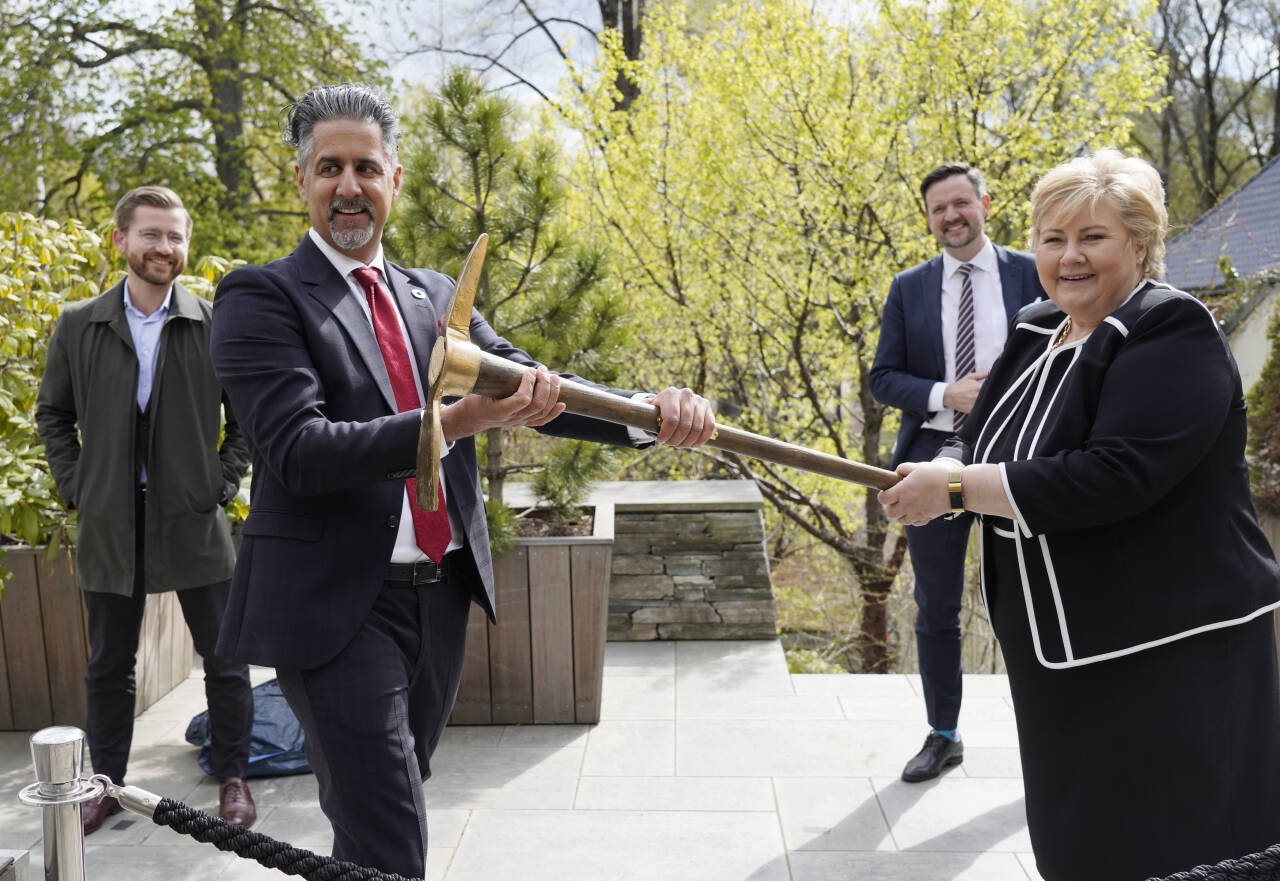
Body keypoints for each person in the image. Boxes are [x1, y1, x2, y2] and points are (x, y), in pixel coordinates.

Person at [208, 83, 716, 879]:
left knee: (387, 808)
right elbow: (299, 450)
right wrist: (457, 422)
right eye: (329, 167)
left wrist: (647, 413)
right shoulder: (259, 296)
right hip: (334, 604)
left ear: (395, 180)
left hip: (438, 598)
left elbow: (535, 389)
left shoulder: (437, 297)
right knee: (391, 833)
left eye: (366, 168)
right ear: (300, 178)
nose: (349, 186)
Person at [878, 149, 1280, 880]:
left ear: (1138, 242)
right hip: (1060, 645)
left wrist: (962, 487)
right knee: (1081, 839)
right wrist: (946, 465)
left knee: (1176, 842)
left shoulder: (1172, 330)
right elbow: (983, 434)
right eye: (1052, 238)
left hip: (1169, 649)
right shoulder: (1036, 329)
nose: (1069, 257)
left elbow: (1115, 475)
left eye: (1092, 237)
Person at [36, 186, 257, 834]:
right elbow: (54, 412)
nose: (165, 247)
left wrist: (219, 482)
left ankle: (235, 776)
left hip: (194, 515)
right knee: (108, 664)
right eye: (152, 234)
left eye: (175, 236)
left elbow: (244, 418)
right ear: (120, 241)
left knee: (225, 655)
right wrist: (78, 484)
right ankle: (104, 784)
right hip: (109, 518)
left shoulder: (212, 322)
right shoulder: (79, 323)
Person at [869, 164, 1043, 782]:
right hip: (928, 466)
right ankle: (944, 735)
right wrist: (947, 393)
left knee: (1032, 600)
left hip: (1020, 459)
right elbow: (882, 378)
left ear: (985, 203)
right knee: (936, 603)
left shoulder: (1037, 271)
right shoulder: (909, 287)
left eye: (961, 203)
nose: (951, 217)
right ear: (927, 218)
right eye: (938, 209)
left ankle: (1051, 737)